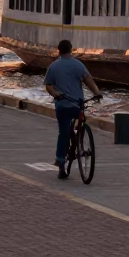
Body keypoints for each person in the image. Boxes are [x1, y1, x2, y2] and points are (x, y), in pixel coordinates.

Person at [44, 40, 102, 178]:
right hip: (77, 105)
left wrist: (56, 94)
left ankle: (61, 163)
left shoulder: (53, 66)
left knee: (63, 132)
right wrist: (97, 93)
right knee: (79, 118)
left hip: (62, 105)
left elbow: (48, 86)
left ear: (58, 50)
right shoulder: (78, 65)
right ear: (71, 50)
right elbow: (89, 81)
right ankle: (80, 133)